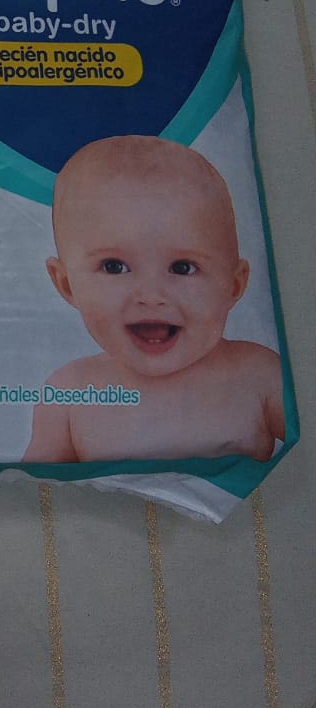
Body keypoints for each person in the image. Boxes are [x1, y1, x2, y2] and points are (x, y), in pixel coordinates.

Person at [23, 135, 284, 464]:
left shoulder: (259, 376)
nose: (151, 296)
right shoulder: (69, 393)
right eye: (115, 267)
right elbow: (34, 485)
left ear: (233, 285)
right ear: (67, 285)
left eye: (182, 267)